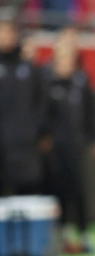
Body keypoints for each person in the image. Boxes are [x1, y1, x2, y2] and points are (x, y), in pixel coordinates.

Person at [41, 32, 95, 253]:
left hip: (75, 144)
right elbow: (42, 113)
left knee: (79, 190)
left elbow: (90, 112)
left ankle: (84, 236)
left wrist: (94, 138)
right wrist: (44, 137)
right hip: (54, 146)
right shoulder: (46, 79)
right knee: (58, 190)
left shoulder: (81, 79)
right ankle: (63, 237)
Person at [0, 19, 46, 196]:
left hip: (24, 144)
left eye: (8, 32)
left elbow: (40, 102)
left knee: (27, 190)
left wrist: (36, 131)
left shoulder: (29, 69)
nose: (5, 37)